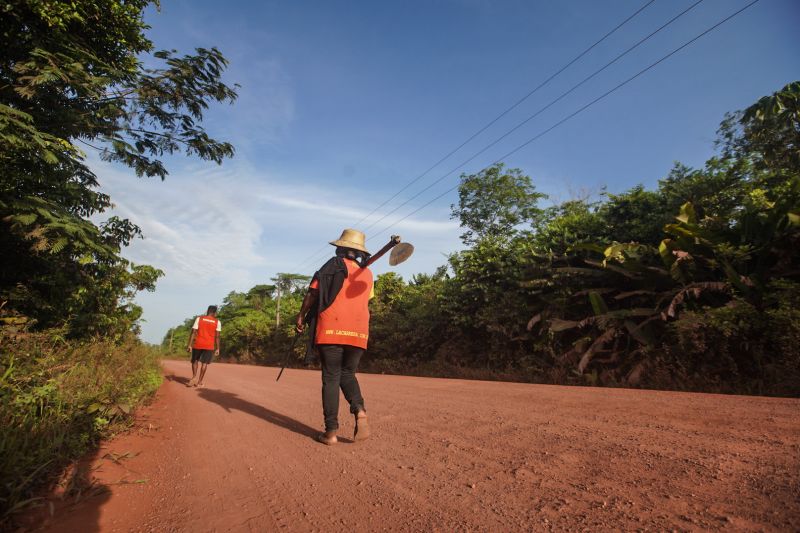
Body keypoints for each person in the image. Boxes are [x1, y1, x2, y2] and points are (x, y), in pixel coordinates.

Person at [296, 229, 374, 445]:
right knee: (347, 374)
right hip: (359, 331)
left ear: (341, 247)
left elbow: (312, 293)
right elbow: (367, 299)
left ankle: (330, 432)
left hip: (332, 327)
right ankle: (359, 410)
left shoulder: (332, 264)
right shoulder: (368, 273)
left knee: (331, 377)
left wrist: (301, 316)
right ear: (358, 252)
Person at [186, 305, 221, 388]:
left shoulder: (199, 319)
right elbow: (217, 336)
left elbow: (193, 332)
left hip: (198, 344)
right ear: (215, 312)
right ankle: (199, 382)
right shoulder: (217, 322)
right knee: (204, 364)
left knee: (195, 361)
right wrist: (218, 348)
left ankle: (194, 377)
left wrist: (190, 345)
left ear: (207, 311)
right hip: (209, 346)